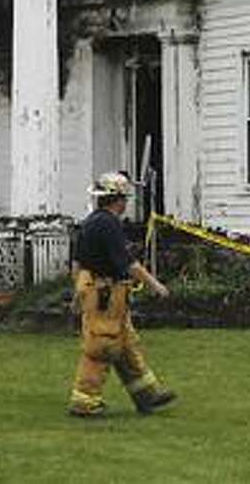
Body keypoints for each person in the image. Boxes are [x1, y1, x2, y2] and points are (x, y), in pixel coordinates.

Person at [67, 171, 177, 418]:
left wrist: (78, 295)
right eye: (125, 198)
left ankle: (146, 394)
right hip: (105, 295)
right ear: (117, 200)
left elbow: (77, 264)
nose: (127, 203)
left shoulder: (91, 222)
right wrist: (155, 285)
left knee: (125, 344)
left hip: (101, 293)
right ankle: (84, 402)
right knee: (102, 346)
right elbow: (129, 264)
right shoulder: (109, 224)